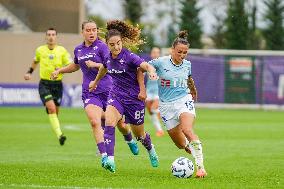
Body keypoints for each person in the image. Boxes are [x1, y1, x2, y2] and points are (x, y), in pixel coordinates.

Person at [51, 21, 138, 165]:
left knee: (121, 124)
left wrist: (95, 65)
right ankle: (104, 155)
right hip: (90, 92)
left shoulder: (103, 47)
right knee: (94, 121)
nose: (91, 33)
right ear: (83, 32)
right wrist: (59, 70)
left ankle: (129, 138)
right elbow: (75, 65)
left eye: (94, 30)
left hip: (110, 91)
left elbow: (110, 65)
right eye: (88, 30)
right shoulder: (78, 49)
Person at [89, 20, 159, 173]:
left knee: (140, 135)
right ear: (107, 44)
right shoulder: (107, 57)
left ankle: (151, 149)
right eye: (112, 44)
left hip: (134, 100)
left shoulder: (129, 56)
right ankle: (110, 160)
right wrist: (95, 82)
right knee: (109, 121)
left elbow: (144, 65)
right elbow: (104, 68)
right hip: (116, 96)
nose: (116, 47)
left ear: (122, 42)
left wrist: (152, 71)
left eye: (118, 43)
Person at [148, 31, 207, 178]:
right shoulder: (160, 62)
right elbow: (143, 66)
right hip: (166, 106)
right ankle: (189, 148)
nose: (182, 55)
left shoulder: (187, 64)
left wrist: (193, 90)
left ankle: (201, 167)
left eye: (185, 53)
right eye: (179, 52)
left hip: (183, 100)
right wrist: (150, 75)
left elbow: (188, 78)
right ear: (172, 50)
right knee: (181, 144)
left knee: (187, 129)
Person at [24, 28, 71, 145]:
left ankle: (56, 128)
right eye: (49, 35)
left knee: (55, 112)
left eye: (53, 34)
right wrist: (29, 72)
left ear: (56, 37)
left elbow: (70, 64)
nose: (51, 37)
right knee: (52, 108)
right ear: (46, 37)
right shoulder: (40, 50)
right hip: (44, 83)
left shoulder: (62, 51)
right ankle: (60, 135)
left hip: (58, 85)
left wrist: (60, 70)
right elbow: (35, 61)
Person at [145, 47, 164, 137]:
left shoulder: (162, 65)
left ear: (159, 54)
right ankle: (159, 130)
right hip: (149, 91)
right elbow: (141, 74)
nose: (155, 54)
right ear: (151, 54)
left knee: (153, 108)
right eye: (154, 52)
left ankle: (163, 112)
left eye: (157, 52)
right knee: (150, 111)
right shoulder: (148, 65)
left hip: (158, 91)